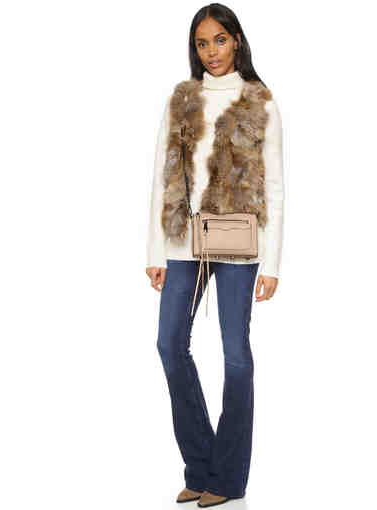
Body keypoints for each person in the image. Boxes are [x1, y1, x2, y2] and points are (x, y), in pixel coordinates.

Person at [145, 3, 284, 507]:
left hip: (239, 242)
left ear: (237, 41)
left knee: (236, 355)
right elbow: (160, 176)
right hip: (184, 242)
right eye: (203, 43)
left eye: (220, 40)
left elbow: (276, 187)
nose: (212, 51)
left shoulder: (259, 102)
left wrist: (273, 264)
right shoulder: (181, 100)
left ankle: (228, 479)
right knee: (169, 344)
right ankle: (202, 466)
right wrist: (155, 250)